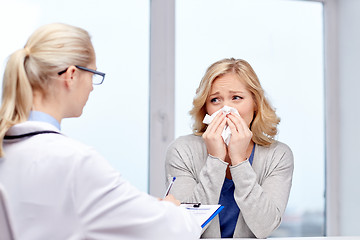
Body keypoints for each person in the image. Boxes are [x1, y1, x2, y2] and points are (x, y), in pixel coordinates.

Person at [0, 23, 201, 240]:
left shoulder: (10, 148)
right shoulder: (74, 162)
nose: (92, 87)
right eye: (93, 74)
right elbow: (170, 231)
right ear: (71, 75)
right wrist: (171, 211)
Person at [165, 58, 294, 238]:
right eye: (215, 99)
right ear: (206, 108)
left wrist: (240, 161)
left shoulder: (278, 155)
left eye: (236, 98)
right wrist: (216, 160)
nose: (226, 109)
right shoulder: (182, 151)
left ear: (255, 103)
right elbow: (185, 227)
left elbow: (265, 226)